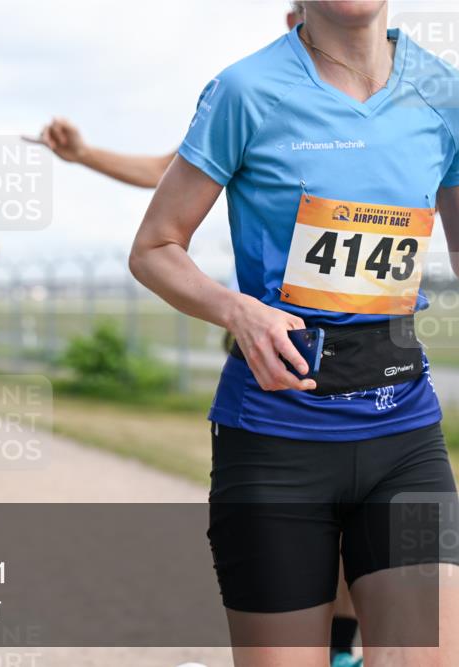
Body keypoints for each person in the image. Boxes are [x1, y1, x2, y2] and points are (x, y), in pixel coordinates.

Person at [31, 5, 367, 664]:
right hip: (276, 352)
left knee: (367, 534)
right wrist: (85, 154)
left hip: (375, 371)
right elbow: (170, 167)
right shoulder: (255, 99)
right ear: (294, 17)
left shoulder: (390, 105)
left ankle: (343, 650)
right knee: (304, 537)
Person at [129, 2, 458, 665]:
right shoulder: (246, 92)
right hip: (277, 443)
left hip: (404, 436)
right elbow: (154, 247)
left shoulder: (444, 92)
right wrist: (237, 310)